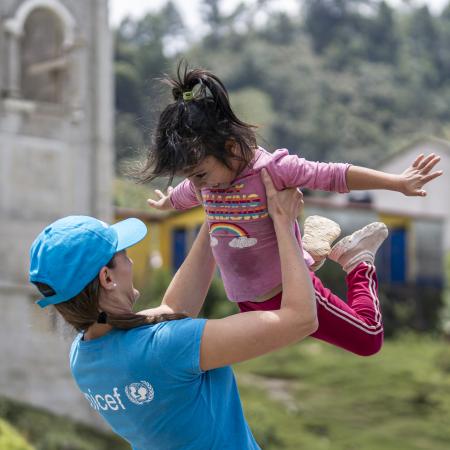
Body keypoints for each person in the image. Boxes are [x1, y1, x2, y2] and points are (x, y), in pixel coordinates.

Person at [141, 64, 443, 356]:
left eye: (199, 175)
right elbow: (187, 194)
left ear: (231, 148)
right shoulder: (205, 183)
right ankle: (311, 249)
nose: (197, 186)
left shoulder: (272, 170)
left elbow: (333, 174)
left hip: (290, 293)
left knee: (368, 340)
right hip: (247, 298)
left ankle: (358, 261)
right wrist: (169, 202)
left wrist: (397, 183)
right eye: (190, 178)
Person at [29, 171, 319, 450]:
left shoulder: (84, 356)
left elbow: (173, 309)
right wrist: (283, 221)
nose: (130, 264)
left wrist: (215, 214)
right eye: (125, 256)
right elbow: (299, 319)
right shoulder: (167, 347)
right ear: (107, 278)